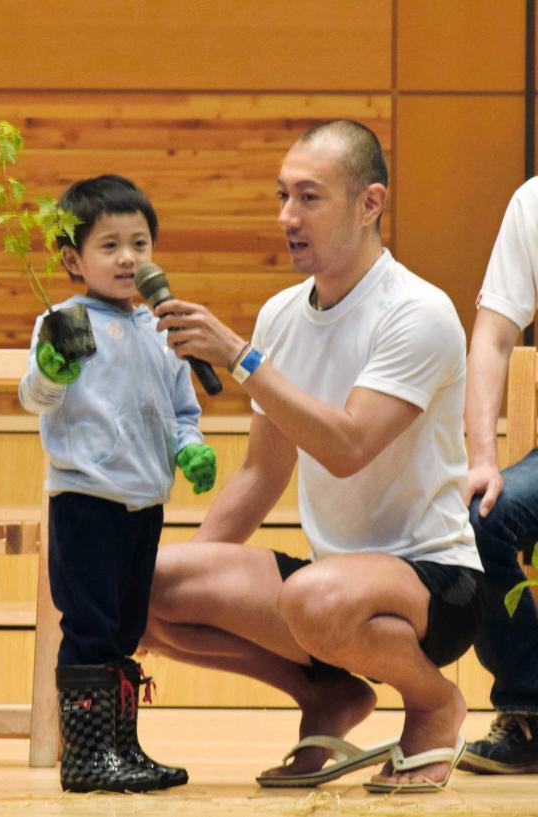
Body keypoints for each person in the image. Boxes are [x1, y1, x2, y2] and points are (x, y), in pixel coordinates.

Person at [141, 121, 484, 793]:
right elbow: (261, 474)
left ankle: (434, 701)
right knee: (141, 585)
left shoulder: (419, 311)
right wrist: (186, 589)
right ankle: (327, 695)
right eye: (282, 197)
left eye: (309, 197)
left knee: (314, 597)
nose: (287, 217)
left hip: (435, 579)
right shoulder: (280, 315)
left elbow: (348, 446)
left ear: (370, 203)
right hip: (325, 589)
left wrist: (241, 359)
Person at [18, 174, 217, 793]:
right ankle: (83, 757)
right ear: (74, 259)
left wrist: (192, 448)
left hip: (143, 502)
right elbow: (36, 397)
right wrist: (53, 367)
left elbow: (182, 410)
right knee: (90, 625)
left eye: (139, 242)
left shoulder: (162, 326)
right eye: (110, 245)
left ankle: (119, 748)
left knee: (128, 628)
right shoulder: (64, 321)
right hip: (86, 500)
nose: (129, 257)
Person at [459, 178, 538, 774]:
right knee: (484, 517)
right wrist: (482, 458)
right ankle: (527, 709)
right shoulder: (533, 202)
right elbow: (492, 335)